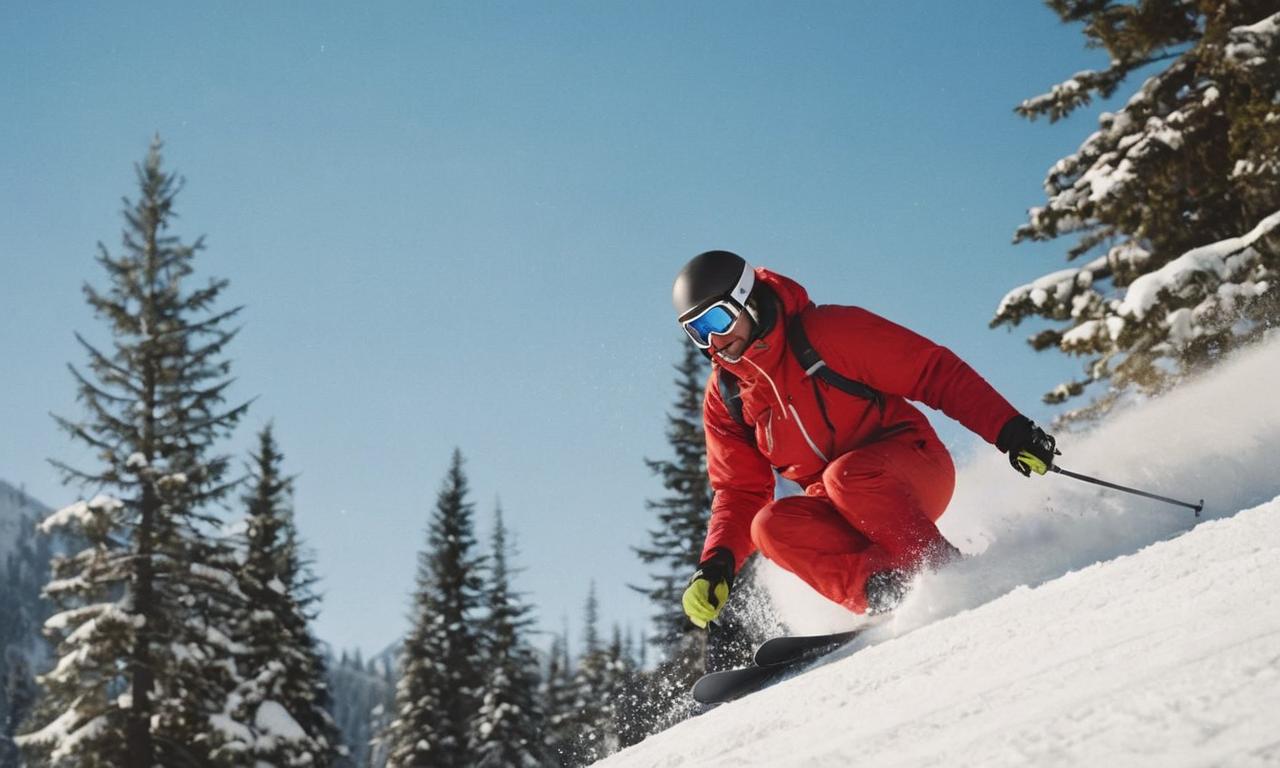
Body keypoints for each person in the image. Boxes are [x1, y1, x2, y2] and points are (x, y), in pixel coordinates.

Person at [674, 250, 1057, 628]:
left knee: (846, 476)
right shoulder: (728, 396)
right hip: (840, 506)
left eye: (718, 320)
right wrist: (717, 563)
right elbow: (739, 490)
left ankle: (947, 574)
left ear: (749, 301)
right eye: (698, 332)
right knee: (769, 526)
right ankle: (886, 591)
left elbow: (932, 372)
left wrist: (1010, 430)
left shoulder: (826, 333)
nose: (714, 341)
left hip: (912, 468)